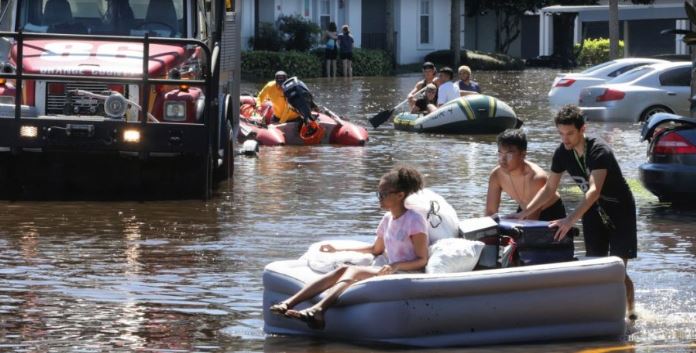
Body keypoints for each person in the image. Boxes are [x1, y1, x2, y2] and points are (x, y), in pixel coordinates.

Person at [511, 104, 637, 320]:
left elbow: (594, 191)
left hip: (619, 210)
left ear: (582, 129)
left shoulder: (599, 150)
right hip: (593, 212)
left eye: (570, 133)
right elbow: (550, 188)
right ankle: (602, 313)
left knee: (616, 269)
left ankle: (631, 312)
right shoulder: (562, 153)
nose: (565, 139)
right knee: (596, 266)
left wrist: (569, 220)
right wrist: (525, 212)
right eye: (561, 133)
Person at [269, 166, 429, 330]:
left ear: (400, 195)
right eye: (378, 193)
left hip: (407, 272)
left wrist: (397, 265)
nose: (379, 198)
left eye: (383, 194)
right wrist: (337, 250)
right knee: (344, 268)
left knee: (353, 271)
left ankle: (319, 309)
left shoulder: (414, 220)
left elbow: (422, 260)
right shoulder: (388, 219)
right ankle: (288, 303)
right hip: (389, 270)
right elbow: (376, 249)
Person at [485, 129, 566, 221]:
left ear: (523, 154)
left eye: (509, 154)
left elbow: (531, 221)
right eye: (500, 154)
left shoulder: (536, 177)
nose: (502, 160)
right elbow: (490, 212)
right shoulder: (496, 175)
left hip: (550, 213)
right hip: (523, 209)